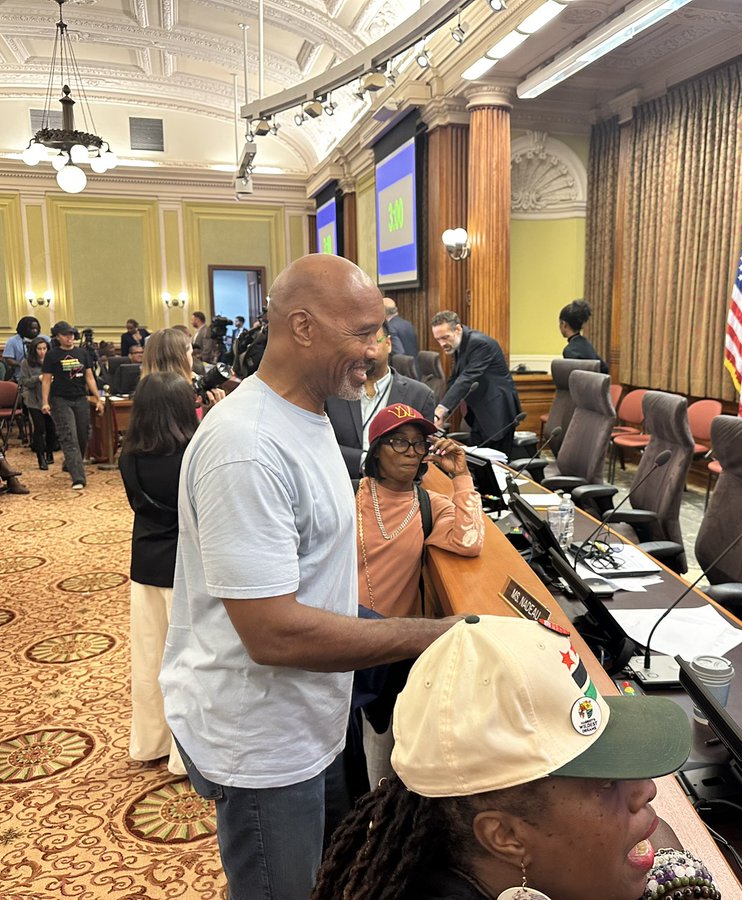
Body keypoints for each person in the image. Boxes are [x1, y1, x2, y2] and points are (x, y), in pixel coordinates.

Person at [159, 254, 456, 900]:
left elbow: (319, 581)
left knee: (333, 880)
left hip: (313, 716)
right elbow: (274, 634)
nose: (376, 351)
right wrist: (433, 634)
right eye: (362, 333)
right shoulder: (246, 448)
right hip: (264, 742)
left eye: (380, 333)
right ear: (302, 327)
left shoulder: (313, 413)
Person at [312, 615, 694, 900]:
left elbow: (656, 831)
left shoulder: (437, 850)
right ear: (506, 836)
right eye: (606, 781)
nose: (646, 789)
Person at [354, 403, 485, 784]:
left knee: (382, 757)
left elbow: (470, 540)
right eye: (399, 442)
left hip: (393, 649)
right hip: (343, 636)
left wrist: (461, 476)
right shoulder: (347, 496)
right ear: (376, 449)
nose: (411, 452)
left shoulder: (429, 506)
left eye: (419, 443)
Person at [120, 373, 199, 778]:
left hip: (144, 564)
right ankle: (185, 754)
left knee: (149, 658)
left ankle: (150, 741)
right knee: (187, 662)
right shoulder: (192, 456)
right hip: (184, 568)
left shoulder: (128, 456)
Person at [324, 323, 435, 477]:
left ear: (388, 344)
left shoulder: (420, 395)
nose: (365, 351)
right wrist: (366, 462)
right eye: (357, 343)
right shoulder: (332, 391)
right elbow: (321, 445)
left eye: (372, 342)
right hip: (341, 482)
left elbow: (421, 455)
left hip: (395, 487)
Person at [430, 311, 522, 456]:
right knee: (478, 460)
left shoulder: (479, 343)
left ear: (458, 329)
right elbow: (455, 379)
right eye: (438, 339)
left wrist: (441, 411)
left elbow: (467, 378)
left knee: (497, 462)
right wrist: (440, 410)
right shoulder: (459, 344)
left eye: (445, 337)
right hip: (480, 412)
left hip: (497, 411)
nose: (442, 343)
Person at [41, 320, 104, 491]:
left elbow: (89, 377)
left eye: (71, 334)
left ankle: (70, 463)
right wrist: (45, 402)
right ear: (58, 337)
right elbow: (46, 379)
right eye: (65, 335)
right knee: (69, 436)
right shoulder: (52, 355)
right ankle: (78, 477)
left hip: (80, 398)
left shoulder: (82, 353)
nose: (69, 338)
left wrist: (98, 398)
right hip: (60, 399)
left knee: (83, 435)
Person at [18, 338, 57, 471]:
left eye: (44, 348)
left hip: (50, 399)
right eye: (39, 349)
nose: (42, 352)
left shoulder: (52, 361)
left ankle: (50, 453)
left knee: (51, 428)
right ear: (34, 350)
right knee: (39, 428)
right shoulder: (26, 363)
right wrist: (38, 378)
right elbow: (24, 381)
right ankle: (41, 458)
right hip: (33, 400)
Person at [559, 298, 608, 374]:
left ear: (564, 324)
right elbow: (605, 368)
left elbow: (574, 377)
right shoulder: (587, 344)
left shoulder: (570, 350)